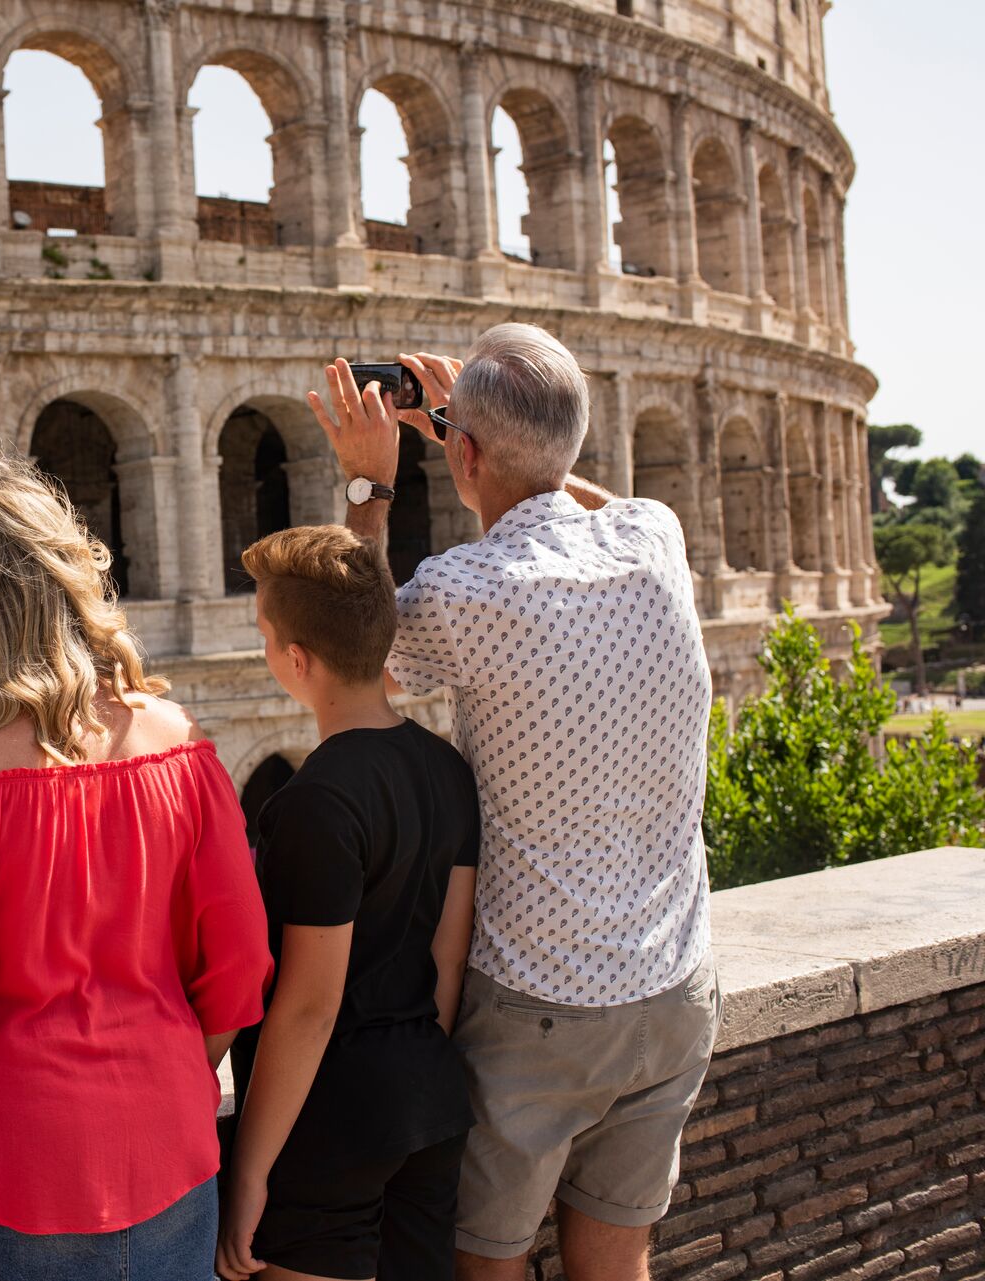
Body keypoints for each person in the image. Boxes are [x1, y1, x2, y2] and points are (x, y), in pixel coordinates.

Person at [310, 325, 718, 1281]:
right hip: (673, 985)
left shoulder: (464, 591)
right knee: (617, 1260)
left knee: (483, 1259)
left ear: (466, 454)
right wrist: (482, 434)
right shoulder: (654, 535)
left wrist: (372, 486)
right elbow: (578, 493)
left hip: (542, 999)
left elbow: (355, 657)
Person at [0, 457, 274, 1281]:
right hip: (173, 1149)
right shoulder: (174, 738)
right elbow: (239, 962)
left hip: (14, 1165)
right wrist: (169, 1083)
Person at [217, 525, 479, 1281]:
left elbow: (309, 1005)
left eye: (268, 638)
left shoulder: (314, 802)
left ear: (296, 660)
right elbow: (448, 957)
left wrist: (251, 1170)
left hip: (329, 1119)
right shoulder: (447, 768)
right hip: (430, 1104)